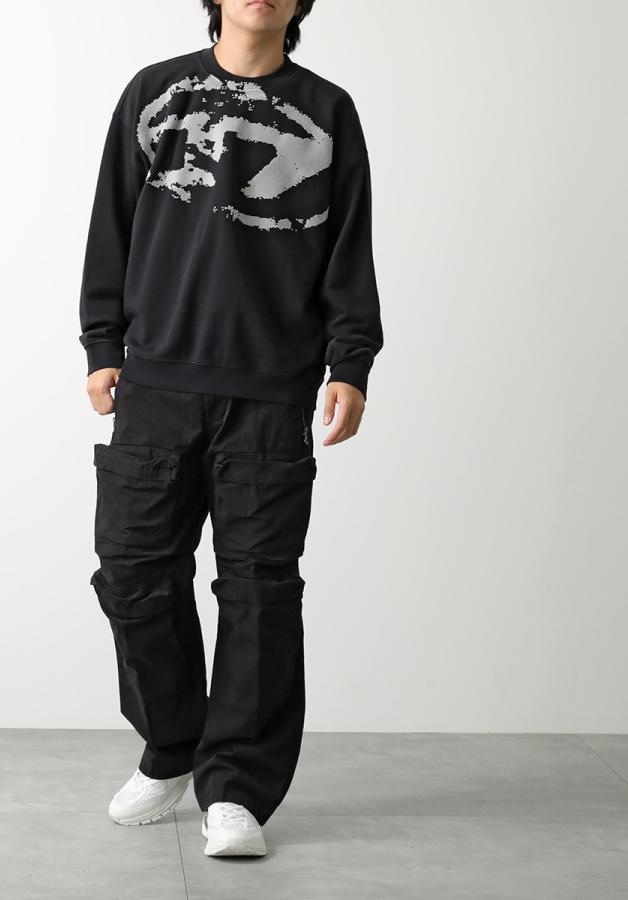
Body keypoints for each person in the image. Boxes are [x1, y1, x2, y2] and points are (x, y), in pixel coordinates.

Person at [77, 0, 383, 858]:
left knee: (259, 592)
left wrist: (351, 361)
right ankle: (174, 740)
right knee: (132, 573)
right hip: (156, 381)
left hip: (271, 391)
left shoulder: (328, 112)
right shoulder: (154, 92)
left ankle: (237, 789)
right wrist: (102, 342)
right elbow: (110, 222)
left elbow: (350, 245)